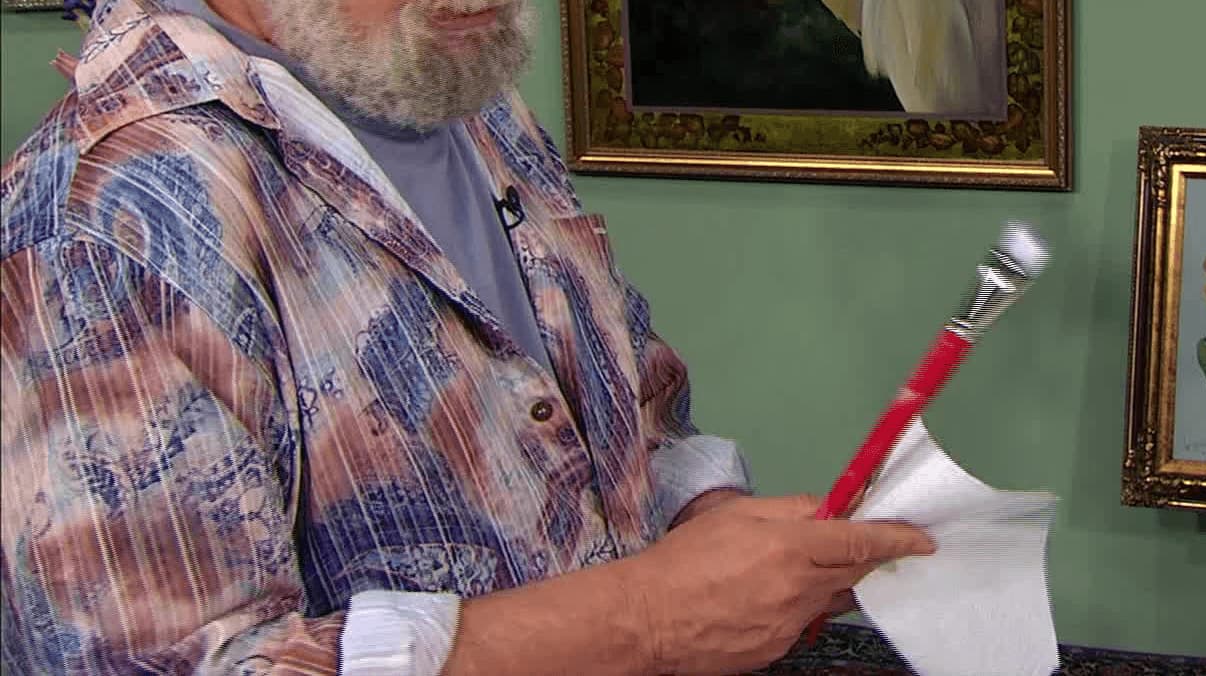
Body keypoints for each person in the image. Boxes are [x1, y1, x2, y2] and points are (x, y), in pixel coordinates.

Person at [0, 0, 936, 672]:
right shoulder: (106, 224)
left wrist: (709, 523)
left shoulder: (461, 93)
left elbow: (626, 405)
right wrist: (650, 618)